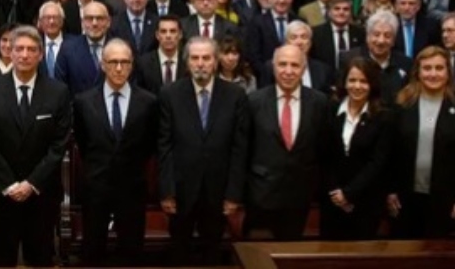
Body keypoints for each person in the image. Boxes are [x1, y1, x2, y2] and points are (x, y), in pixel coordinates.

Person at [0, 26, 71, 267]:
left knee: (40, 258)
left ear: (40, 54)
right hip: (1, 193)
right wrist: (9, 184)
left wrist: (31, 183)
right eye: (19, 49)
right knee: (2, 259)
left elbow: (59, 145)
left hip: (41, 193)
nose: (25, 55)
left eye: (31, 50)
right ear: (10, 52)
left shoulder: (58, 92)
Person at [159, 36, 249, 265]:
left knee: (213, 254)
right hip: (181, 191)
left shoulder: (235, 95)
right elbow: (164, 146)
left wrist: (233, 195)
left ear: (216, 61)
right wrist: (167, 191)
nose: (200, 63)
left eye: (206, 58)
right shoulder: (170, 94)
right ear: (187, 62)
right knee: (179, 252)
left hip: (218, 192)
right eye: (195, 58)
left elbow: (240, 148)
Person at [73, 39, 158, 266]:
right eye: (113, 62)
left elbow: (150, 144)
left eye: (124, 62)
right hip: (96, 187)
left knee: (131, 251)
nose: (119, 68)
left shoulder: (148, 102)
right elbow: (83, 142)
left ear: (131, 65)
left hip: (132, 187)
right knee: (93, 250)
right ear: (103, 64)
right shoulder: (83, 102)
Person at [245, 44, 329, 240]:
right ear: (273, 67)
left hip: (299, 196)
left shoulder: (320, 102)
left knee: (290, 254)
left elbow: (323, 149)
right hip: (261, 195)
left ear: (304, 69)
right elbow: (245, 149)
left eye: (295, 65)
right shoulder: (254, 102)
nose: (288, 71)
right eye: (282, 64)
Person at [320, 57, 391, 240]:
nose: (357, 86)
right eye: (352, 80)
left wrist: (349, 194)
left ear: (372, 84)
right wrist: (337, 194)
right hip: (332, 201)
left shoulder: (383, 116)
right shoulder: (330, 109)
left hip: (366, 202)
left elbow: (377, 163)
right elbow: (324, 156)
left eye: (363, 81)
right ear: (344, 82)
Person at [387, 46, 455, 238]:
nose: (433, 74)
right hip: (405, 197)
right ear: (418, 72)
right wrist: (390, 190)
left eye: (439, 68)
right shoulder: (402, 105)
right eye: (427, 68)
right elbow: (390, 153)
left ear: (448, 72)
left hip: (445, 199)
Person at [56, 1, 111, 97]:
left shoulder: (121, 48)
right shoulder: (68, 49)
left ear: (108, 22)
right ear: (82, 23)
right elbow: (60, 88)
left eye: (100, 18)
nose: (94, 23)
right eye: (89, 18)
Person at [137, 14, 184, 96]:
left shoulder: (187, 61)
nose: (168, 36)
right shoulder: (143, 63)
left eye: (172, 31)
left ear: (180, 35)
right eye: (163, 31)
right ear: (157, 35)